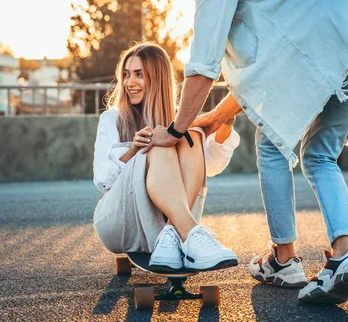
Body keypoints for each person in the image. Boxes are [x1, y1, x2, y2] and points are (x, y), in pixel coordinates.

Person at [145, 0, 348, 304]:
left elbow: (202, 66)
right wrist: (218, 115)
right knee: (319, 155)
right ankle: (345, 257)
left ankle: (283, 260)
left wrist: (175, 129)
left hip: (327, 47)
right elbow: (268, 69)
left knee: (270, 143)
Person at [92, 42, 239, 272]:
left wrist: (225, 122)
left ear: (158, 78)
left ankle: (172, 233)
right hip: (119, 221)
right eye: (127, 74)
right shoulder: (112, 119)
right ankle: (191, 233)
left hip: (161, 224)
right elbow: (102, 182)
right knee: (158, 143)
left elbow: (210, 166)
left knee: (192, 134)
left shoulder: (179, 121)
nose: (130, 83)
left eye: (139, 74)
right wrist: (133, 151)